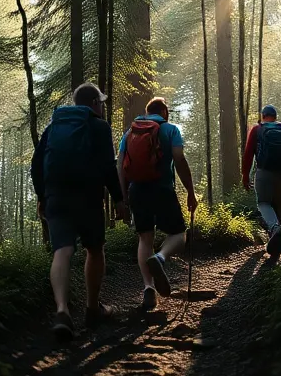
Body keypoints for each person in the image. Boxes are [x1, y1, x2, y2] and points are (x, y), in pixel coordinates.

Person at [31, 82, 128, 340]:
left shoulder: (53, 128)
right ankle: (93, 310)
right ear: (95, 104)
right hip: (88, 198)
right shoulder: (99, 127)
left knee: (62, 251)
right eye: (101, 103)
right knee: (94, 250)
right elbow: (108, 166)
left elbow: (36, 164)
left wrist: (42, 196)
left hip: (56, 197)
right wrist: (119, 199)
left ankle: (62, 311)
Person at [118, 96, 198, 310]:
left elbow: (120, 165)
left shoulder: (130, 133)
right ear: (164, 112)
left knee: (145, 238)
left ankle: (148, 289)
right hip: (162, 189)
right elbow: (179, 159)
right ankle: (160, 257)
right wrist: (191, 191)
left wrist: (123, 198)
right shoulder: (171, 130)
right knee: (179, 234)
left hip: (137, 191)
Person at [242, 104, 281, 258]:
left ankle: (274, 228)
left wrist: (245, 175)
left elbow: (248, 154)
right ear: (275, 116)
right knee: (278, 204)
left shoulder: (257, 130)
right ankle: (277, 247)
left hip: (264, 172)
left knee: (263, 203)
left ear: (263, 116)